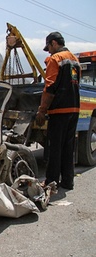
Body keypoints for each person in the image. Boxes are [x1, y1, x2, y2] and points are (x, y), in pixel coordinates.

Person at [36, 32, 81, 190]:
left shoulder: (55, 59)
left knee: (54, 147)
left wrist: (42, 110)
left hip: (59, 111)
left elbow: (50, 87)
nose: (48, 51)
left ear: (54, 43)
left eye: (48, 47)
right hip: (74, 109)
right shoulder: (75, 60)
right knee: (68, 147)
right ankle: (68, 182)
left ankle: (51, 183)